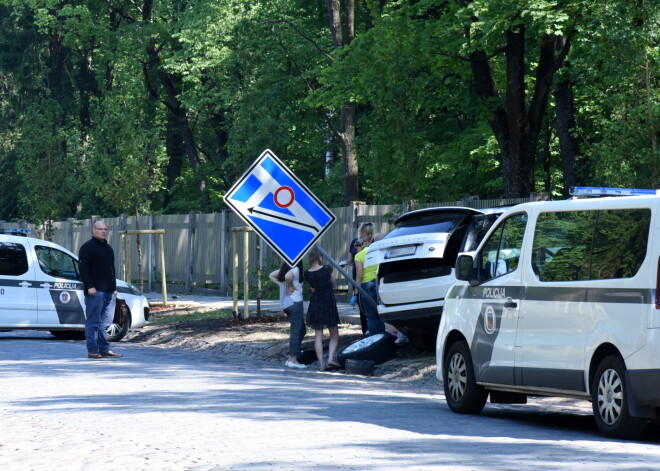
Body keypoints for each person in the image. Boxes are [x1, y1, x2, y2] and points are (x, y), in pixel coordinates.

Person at [78, 221, 123, 359]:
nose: (103, 231)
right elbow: (83, 269)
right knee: (93, 322)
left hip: (109, 292)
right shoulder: (87, 247)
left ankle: (104, 349)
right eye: (100, 229)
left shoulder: (108, 248)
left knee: (106, 323)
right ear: (93, 230)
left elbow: (111, 269)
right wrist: (89, 286)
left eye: (105, 229)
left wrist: (114, 288)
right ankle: (92, 349)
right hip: (95, 292)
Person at [304, 247, 340, 371]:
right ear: (320, 257)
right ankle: (330, 358)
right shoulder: (327, 269)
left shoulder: (307, 273)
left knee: (318, 334)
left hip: (316, 302)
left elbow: (313, 288)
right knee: (334, 334)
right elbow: (334, 284)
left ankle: (321, 364)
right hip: (328, 301)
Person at [269, 260, 307, 369]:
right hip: (295, 303)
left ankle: (291, 356)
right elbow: (287, 277)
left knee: (302, 330)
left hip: (287, 304)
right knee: (295, 332)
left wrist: (282, 285)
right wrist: (290, 286)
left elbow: (271, 275)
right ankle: (293, 359)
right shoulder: (296, 269)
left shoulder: (287, 268)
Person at [354, 232, 386, 336]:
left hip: (366, 286)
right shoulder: (376, 252)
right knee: (381, 313)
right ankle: (383, 337)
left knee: (371, 316)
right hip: (378, 283)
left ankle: (374, 340)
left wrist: (355, 293)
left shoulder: (358, 256)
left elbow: (359, 276)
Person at [348, 223, 374, 333]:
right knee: (362, 306)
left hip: (370, 278)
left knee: (371, 307)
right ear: (362, 232)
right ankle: (365, 330)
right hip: (358, 275)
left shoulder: (373, 243)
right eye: (367, 233)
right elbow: (351, 259)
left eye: (371, 234)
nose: (369, 236)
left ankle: (372, 331)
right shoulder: (355, 243)